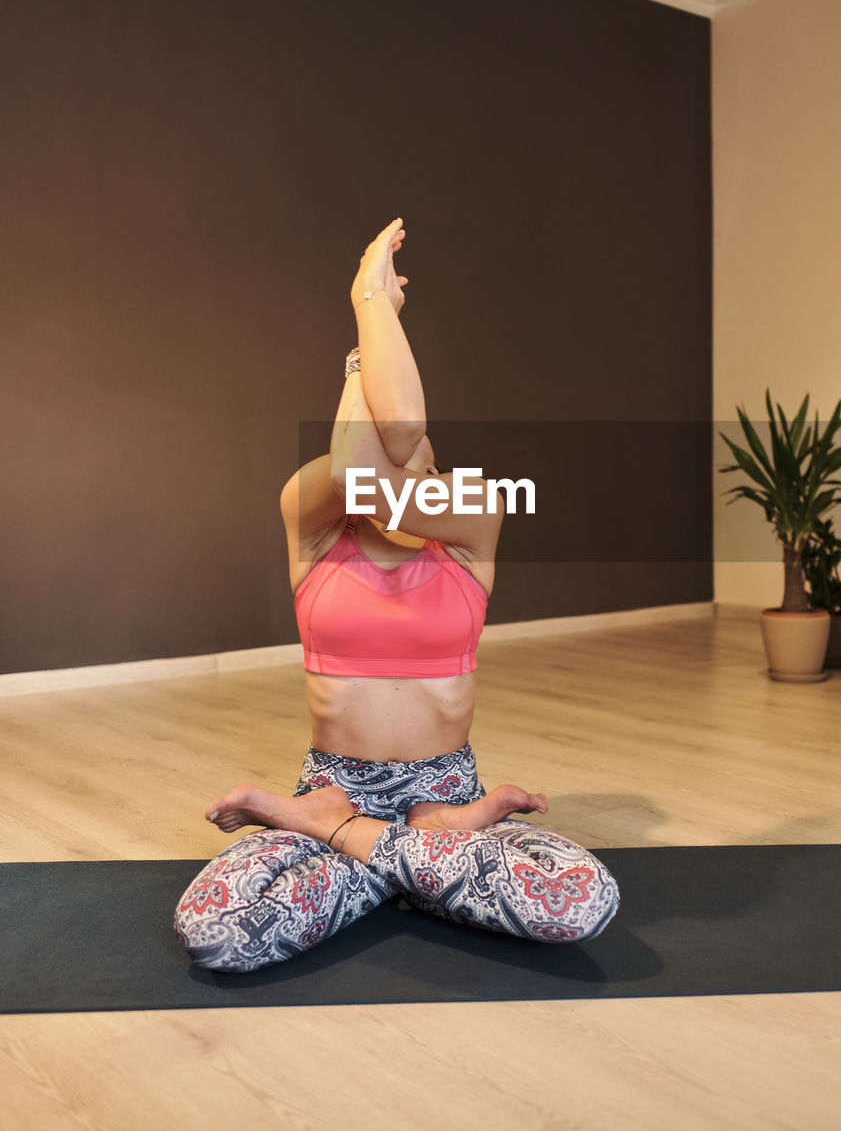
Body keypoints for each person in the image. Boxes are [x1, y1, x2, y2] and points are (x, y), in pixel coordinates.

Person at [174, 219, 620, 972]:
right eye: (370, 433)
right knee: (218, 930)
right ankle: (421, 863)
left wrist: (329, 831)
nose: (388, 452)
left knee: (581, 899)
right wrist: (364, 336)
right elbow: (356, 476)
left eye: (405, 444)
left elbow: (393, 450)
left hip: (429, 791)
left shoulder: (473, 517)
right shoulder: (309, 524)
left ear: (430, 463)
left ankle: (347, 842)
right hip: (353, 790)